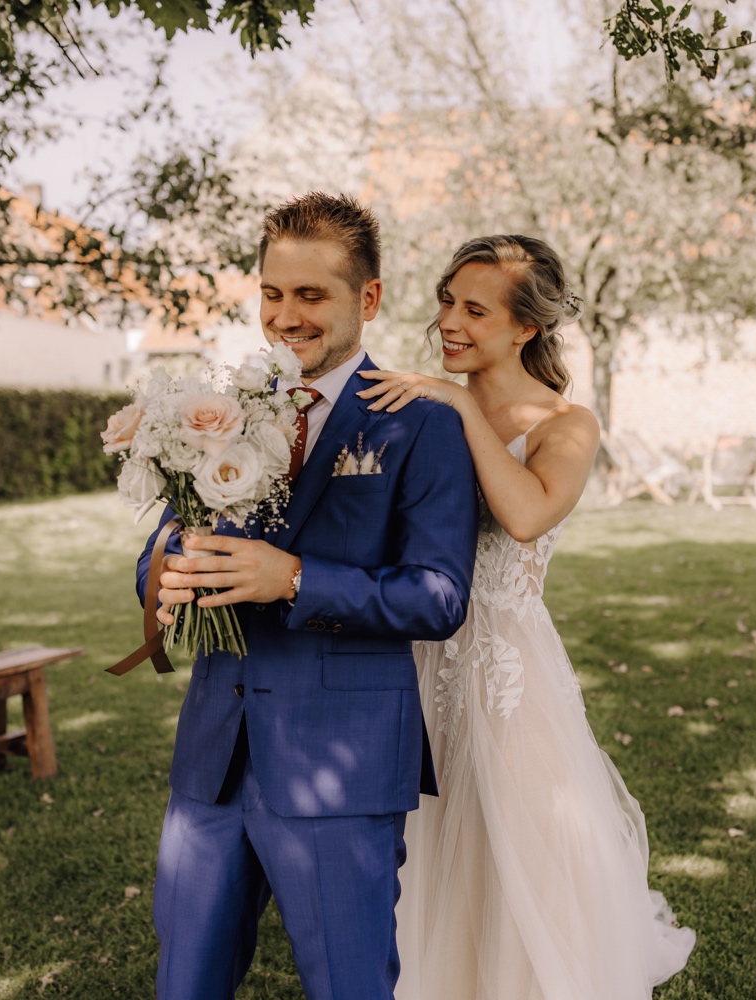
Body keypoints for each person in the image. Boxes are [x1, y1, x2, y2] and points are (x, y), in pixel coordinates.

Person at [137, 192, 479, 1000]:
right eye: (272, 293)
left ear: (368, 299)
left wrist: (290, 579)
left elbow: (439, 597)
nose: (286, 317)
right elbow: (165, 535)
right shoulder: (226, 410)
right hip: (213, 760)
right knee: (183, 985)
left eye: (311, 296)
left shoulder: (421, 424)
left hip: (342, 765)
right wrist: (167, 571)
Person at [358, 234, 695, 1000]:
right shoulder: (416, 402)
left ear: (524, 328)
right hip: (415, 654)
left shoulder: (566, 425)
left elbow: (525, 514)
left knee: (525, 838)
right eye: (447, 300)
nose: (450, 320)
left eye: (475, 309)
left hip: (507, 665)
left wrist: (455, 405)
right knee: (431, 839)